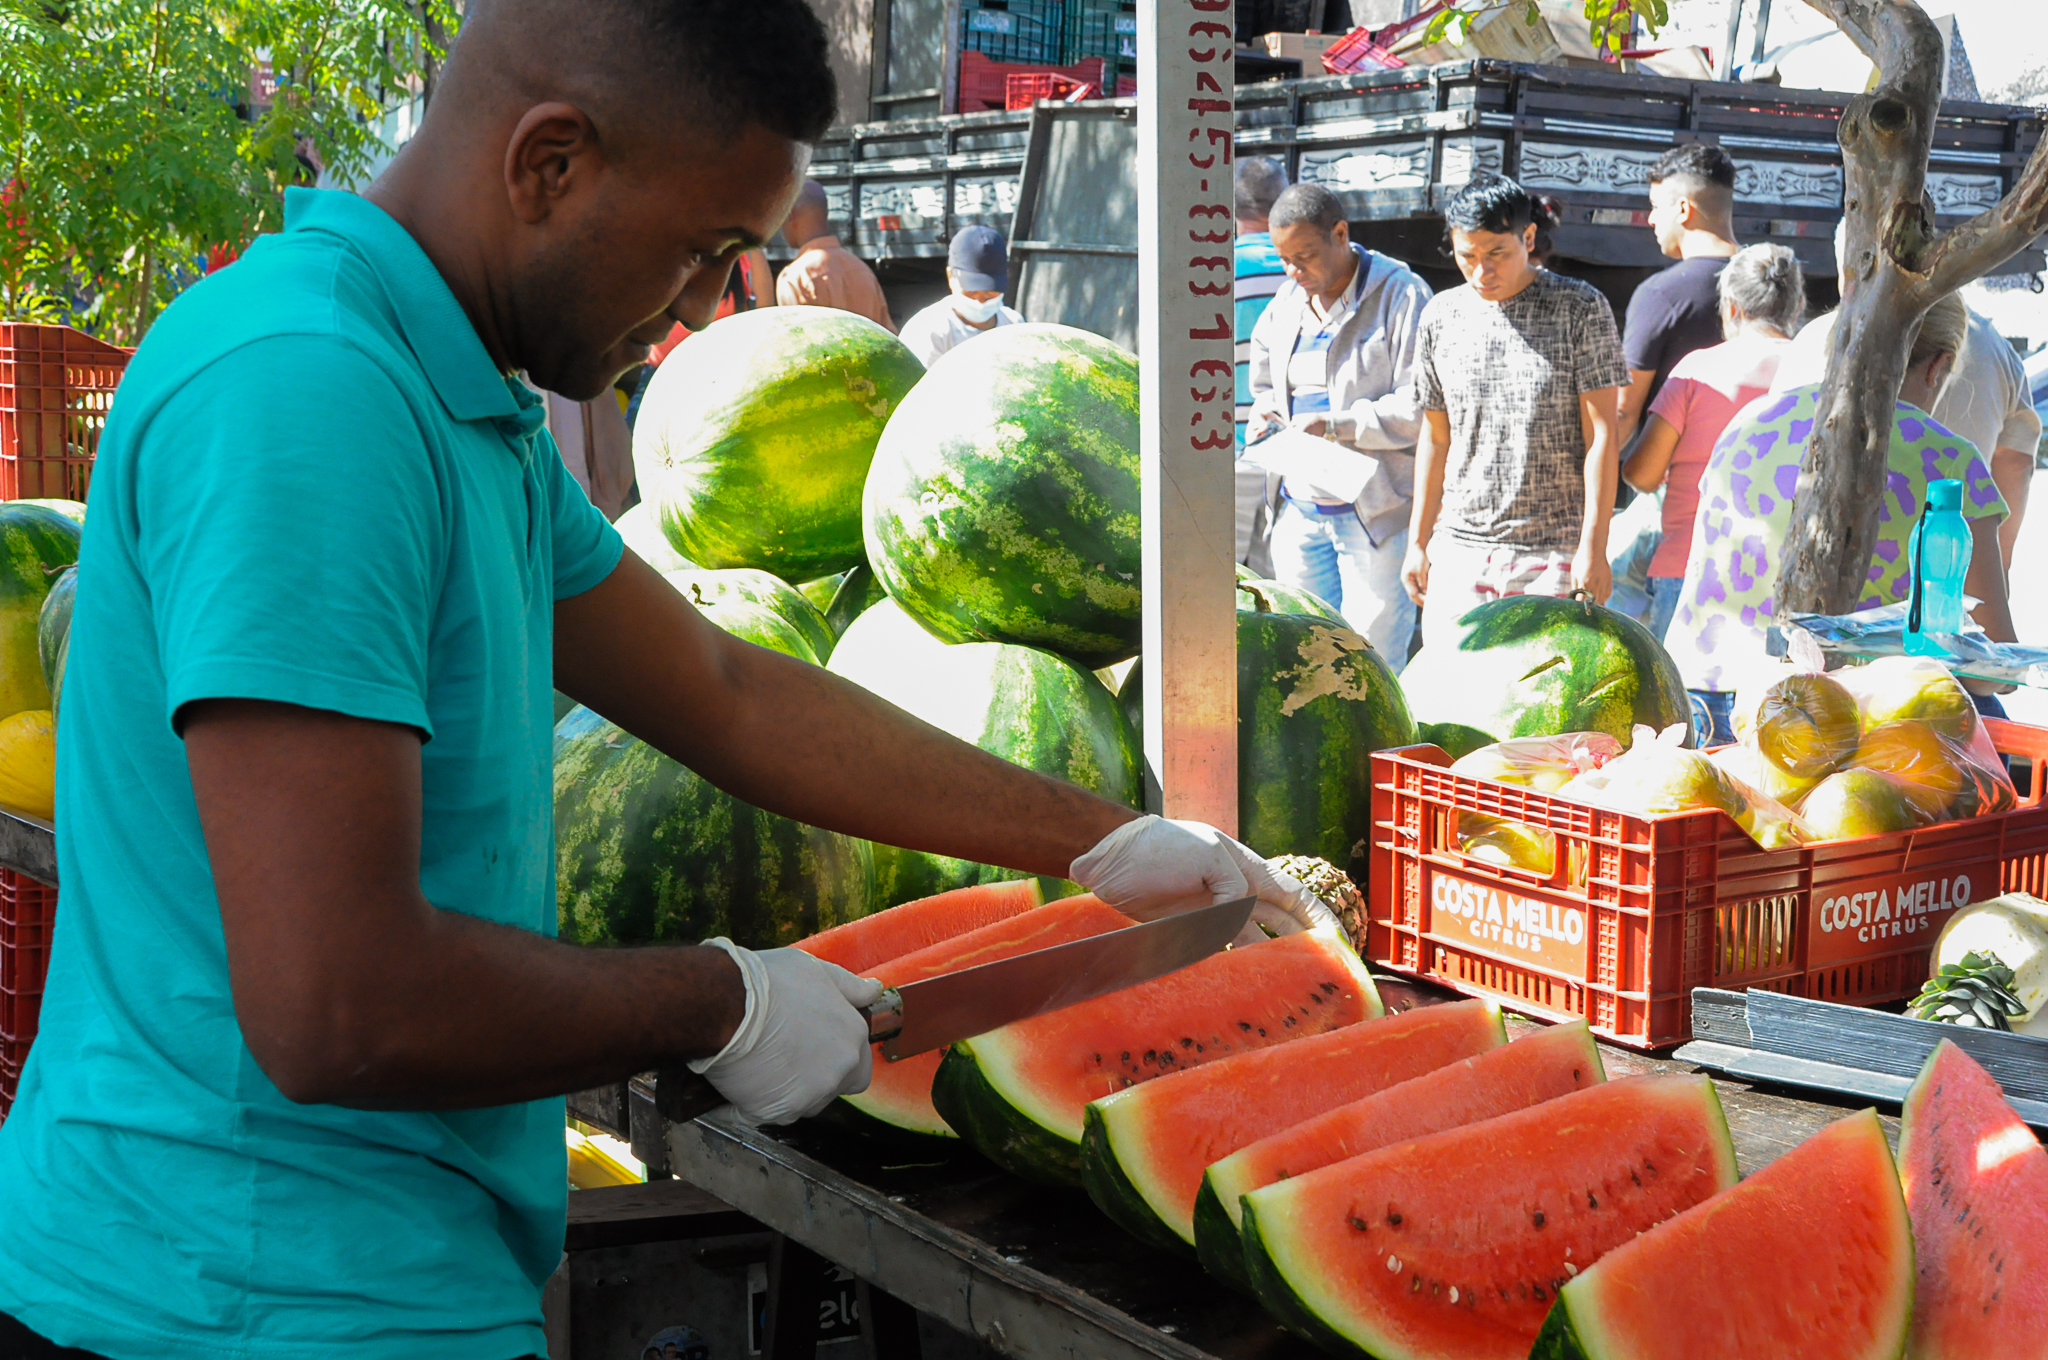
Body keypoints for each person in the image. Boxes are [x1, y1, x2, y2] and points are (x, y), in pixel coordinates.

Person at [0, 4, 1329, 1358]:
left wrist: (1100, 838)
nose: (704, 305)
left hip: (360, 1269)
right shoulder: (312, 392)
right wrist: (721, 997)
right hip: (239, 1302)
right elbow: (340, 1005)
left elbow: (722, 689)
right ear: (551, 162)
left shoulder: (449, 391)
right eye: (700, 250)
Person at [1665, 293, 2017, 743]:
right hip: (1834, 719)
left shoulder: (1750, 419)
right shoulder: (1950, 459)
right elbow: (1988, 669)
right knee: (1990, 720)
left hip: (1694, 698)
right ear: (1938, 367)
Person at [1401, 175, 1629, 625]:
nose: (1481, 271)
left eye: (1496, 254)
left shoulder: (1580, 307)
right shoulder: (1440, 315)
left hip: (1554, 553)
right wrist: (1418, 542)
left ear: (1527, 238)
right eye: (1467, 256)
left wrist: (1593, 548)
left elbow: (1602, 436)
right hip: (1460, 549)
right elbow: (1435, 437)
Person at [1771, 219, 2041, 570]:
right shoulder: (1993, 347)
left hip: (1819, 573)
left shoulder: (1817, 338)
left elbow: (1779, 449)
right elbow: (2016, 460)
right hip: (1944, 579)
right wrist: (1994, 567)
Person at [1245, 183, 1431, 665]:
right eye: (1284, 259)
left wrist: (1335, 425)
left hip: (1375, 516)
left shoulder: (1402, 293)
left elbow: (1420, 409)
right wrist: (1263, 415)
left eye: (1304, 256)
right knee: (1303, 655)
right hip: (1300, 512)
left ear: (1341, 234)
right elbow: (1263, 387)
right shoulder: (1285, 302)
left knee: (1373, 659)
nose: (1292, 271)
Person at [1616, 244, 1804, 641]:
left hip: (1690, 569)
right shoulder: (1811, 372)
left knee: (1678, 701)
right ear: (1798, 304)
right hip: (1784, 575)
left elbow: (1642, 474)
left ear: (1731, 307)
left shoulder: (1696, 371)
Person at [1619, 144, 1742, 444]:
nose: (1650, 219)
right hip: (1758, 472)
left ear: (1684, 209)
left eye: (1656, 207)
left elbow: (1624, 411)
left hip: (1679, 479)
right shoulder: (1770, 279)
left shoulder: (1661, 295)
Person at [1233, 156, 1289, 574]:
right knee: (1281, 588)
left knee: (1219, 580)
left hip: (1226, 452)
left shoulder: (1213, 271)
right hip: (1291, 453)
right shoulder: (1307, 271)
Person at [772, 178, 894, 331]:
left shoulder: (796, 278)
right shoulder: (862, 270)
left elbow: (799, 344)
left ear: (790, 215)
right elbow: (889, 335)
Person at [896, 225, 1024, 367]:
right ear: (951, 276)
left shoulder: (1014, 324)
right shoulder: (928, 330)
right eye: (972, 291)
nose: (981, 300)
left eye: (990, 292)